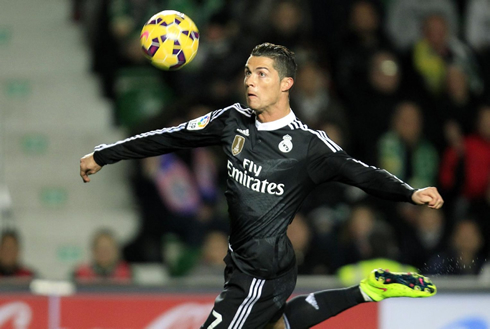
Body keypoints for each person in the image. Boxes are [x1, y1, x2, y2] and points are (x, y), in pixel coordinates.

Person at [80, 43, 443, 329]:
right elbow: (168, 138)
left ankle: (365, 291)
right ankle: (367, 290)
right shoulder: (231, 121)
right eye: (248, 73)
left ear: (286, 84)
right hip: (241, 261)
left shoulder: (308, 145)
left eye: (262, 74)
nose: (250, 81)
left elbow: (361, 172)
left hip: (262, 272)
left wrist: (410, 192)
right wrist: (105, 154)